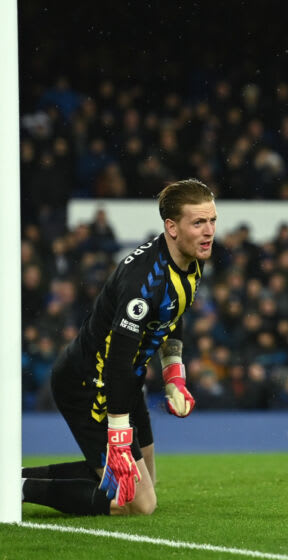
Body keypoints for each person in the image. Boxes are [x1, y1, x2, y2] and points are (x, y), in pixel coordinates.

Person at [22, 179, 217, 515]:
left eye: (212, 220)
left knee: (146, 482)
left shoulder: (191, 259)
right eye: (198, 222)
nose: (209, 231)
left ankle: (17, 477)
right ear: (171, 227)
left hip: (127, 378)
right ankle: (18, 489)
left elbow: (175, 314)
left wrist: (174, 375)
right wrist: (118, 433)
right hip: (90, 383)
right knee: (137, 504)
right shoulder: (144, 284)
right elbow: (117, 360)